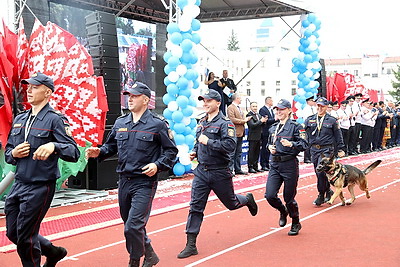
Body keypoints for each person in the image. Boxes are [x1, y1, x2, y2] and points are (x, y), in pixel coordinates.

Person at [86, 82, 178, 267]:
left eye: (134, 96)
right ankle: (150, 254)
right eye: (129, 96)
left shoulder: (157, 124)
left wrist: (157, 165)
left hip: (144, 182)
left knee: (132, 227)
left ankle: (134, 261)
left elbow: (170, 152)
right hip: (124, 181)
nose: (130, 99)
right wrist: (99, 152)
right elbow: (110, 146)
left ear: (145, 100)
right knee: (130, 224)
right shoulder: (121, 122)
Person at [5, 72, 80, 267]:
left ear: (47, 92)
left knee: (26, 238)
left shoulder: (56, 119)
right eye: (28, 86)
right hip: (19, 183)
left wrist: (54, 146)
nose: (29, 90)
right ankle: (52, 252)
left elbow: (73, 151)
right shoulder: (20, 119)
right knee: (13, 233)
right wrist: (14, 154)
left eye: (34, 87)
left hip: (40, 185)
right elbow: (8, 152)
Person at [177, 89, 258, 259]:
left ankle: (247, 199)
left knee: (231, 203)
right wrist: (195, 152)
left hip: (220, 171)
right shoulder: (201, 122)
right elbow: (198, 142)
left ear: (218, 103)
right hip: (201, 171)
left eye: (208, 101)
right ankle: (191, 244)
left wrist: (209, 142)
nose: (205, 104)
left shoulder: (225, 123)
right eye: (203, 101)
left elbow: (229, 146)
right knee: (195, 207)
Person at [265, 99, 308, 236]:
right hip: (275, 164)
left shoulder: (296, 127)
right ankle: (283, 211)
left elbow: (304, 144)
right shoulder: (273, 127)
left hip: (289, 164)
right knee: (270, 195)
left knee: (289, 197)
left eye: (282, 109)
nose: (279, 112)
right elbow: (267, 143)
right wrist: (269, 148)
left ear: (289, 110)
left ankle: (295, 221)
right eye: (277, 109)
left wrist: (291, 144)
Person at [304, 97, 346, 206]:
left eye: (322, 106)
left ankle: (321, 194)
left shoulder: (332, 120)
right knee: (319, 173)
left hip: (326, 150)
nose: (320, 108)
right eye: (318, 105)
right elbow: (305, 135)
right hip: (314, 149)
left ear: (327, 107)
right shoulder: (310, 119)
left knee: (320, 171)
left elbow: (338, 135)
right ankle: (328, 191)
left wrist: (341, 148)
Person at [227, 93, 251, 175]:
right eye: (240, 98)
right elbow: (232, 119)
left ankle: (238, 169)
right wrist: (244, 121)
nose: (241, 100)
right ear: (236, 98)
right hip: (234, 133)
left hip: (241, 132)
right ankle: (230, 170)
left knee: (238, 152)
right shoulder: (230, 107)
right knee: (232, 153)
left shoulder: (239, 108)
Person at [246, 101, 267, 173]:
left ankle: (255, 166)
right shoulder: (249, 115)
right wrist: (261, 121)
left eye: (256, 106)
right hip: (253, 136)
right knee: (251, 152)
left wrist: (264, 121)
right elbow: (252, 125)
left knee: (257, 152)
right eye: (253, 106)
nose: (255, 108)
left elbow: (262, 125)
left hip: (259, 136)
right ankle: (250, 167)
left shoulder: (258, 115)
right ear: (250, 107)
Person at [259, 96, 277, 171]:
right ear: (268, 101)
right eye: (271, 101)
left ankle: (267, 163)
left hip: (271, 132)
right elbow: (265, 121)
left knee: (269, 148)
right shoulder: (263, 110)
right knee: (264, 148)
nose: (272, 102)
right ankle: (263, 164)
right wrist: (274, 119)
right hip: (265, 131)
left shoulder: (271, 110)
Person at [302, 96, 316, 163]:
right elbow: (307, 119)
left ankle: (311, 156)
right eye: (312, 101)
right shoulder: (306, 109)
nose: (313, 102)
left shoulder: (314, 108)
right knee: (308, 143)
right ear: (308, 102)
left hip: (314, 127)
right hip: (308, 127)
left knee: (312, 142)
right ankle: (307, 158)